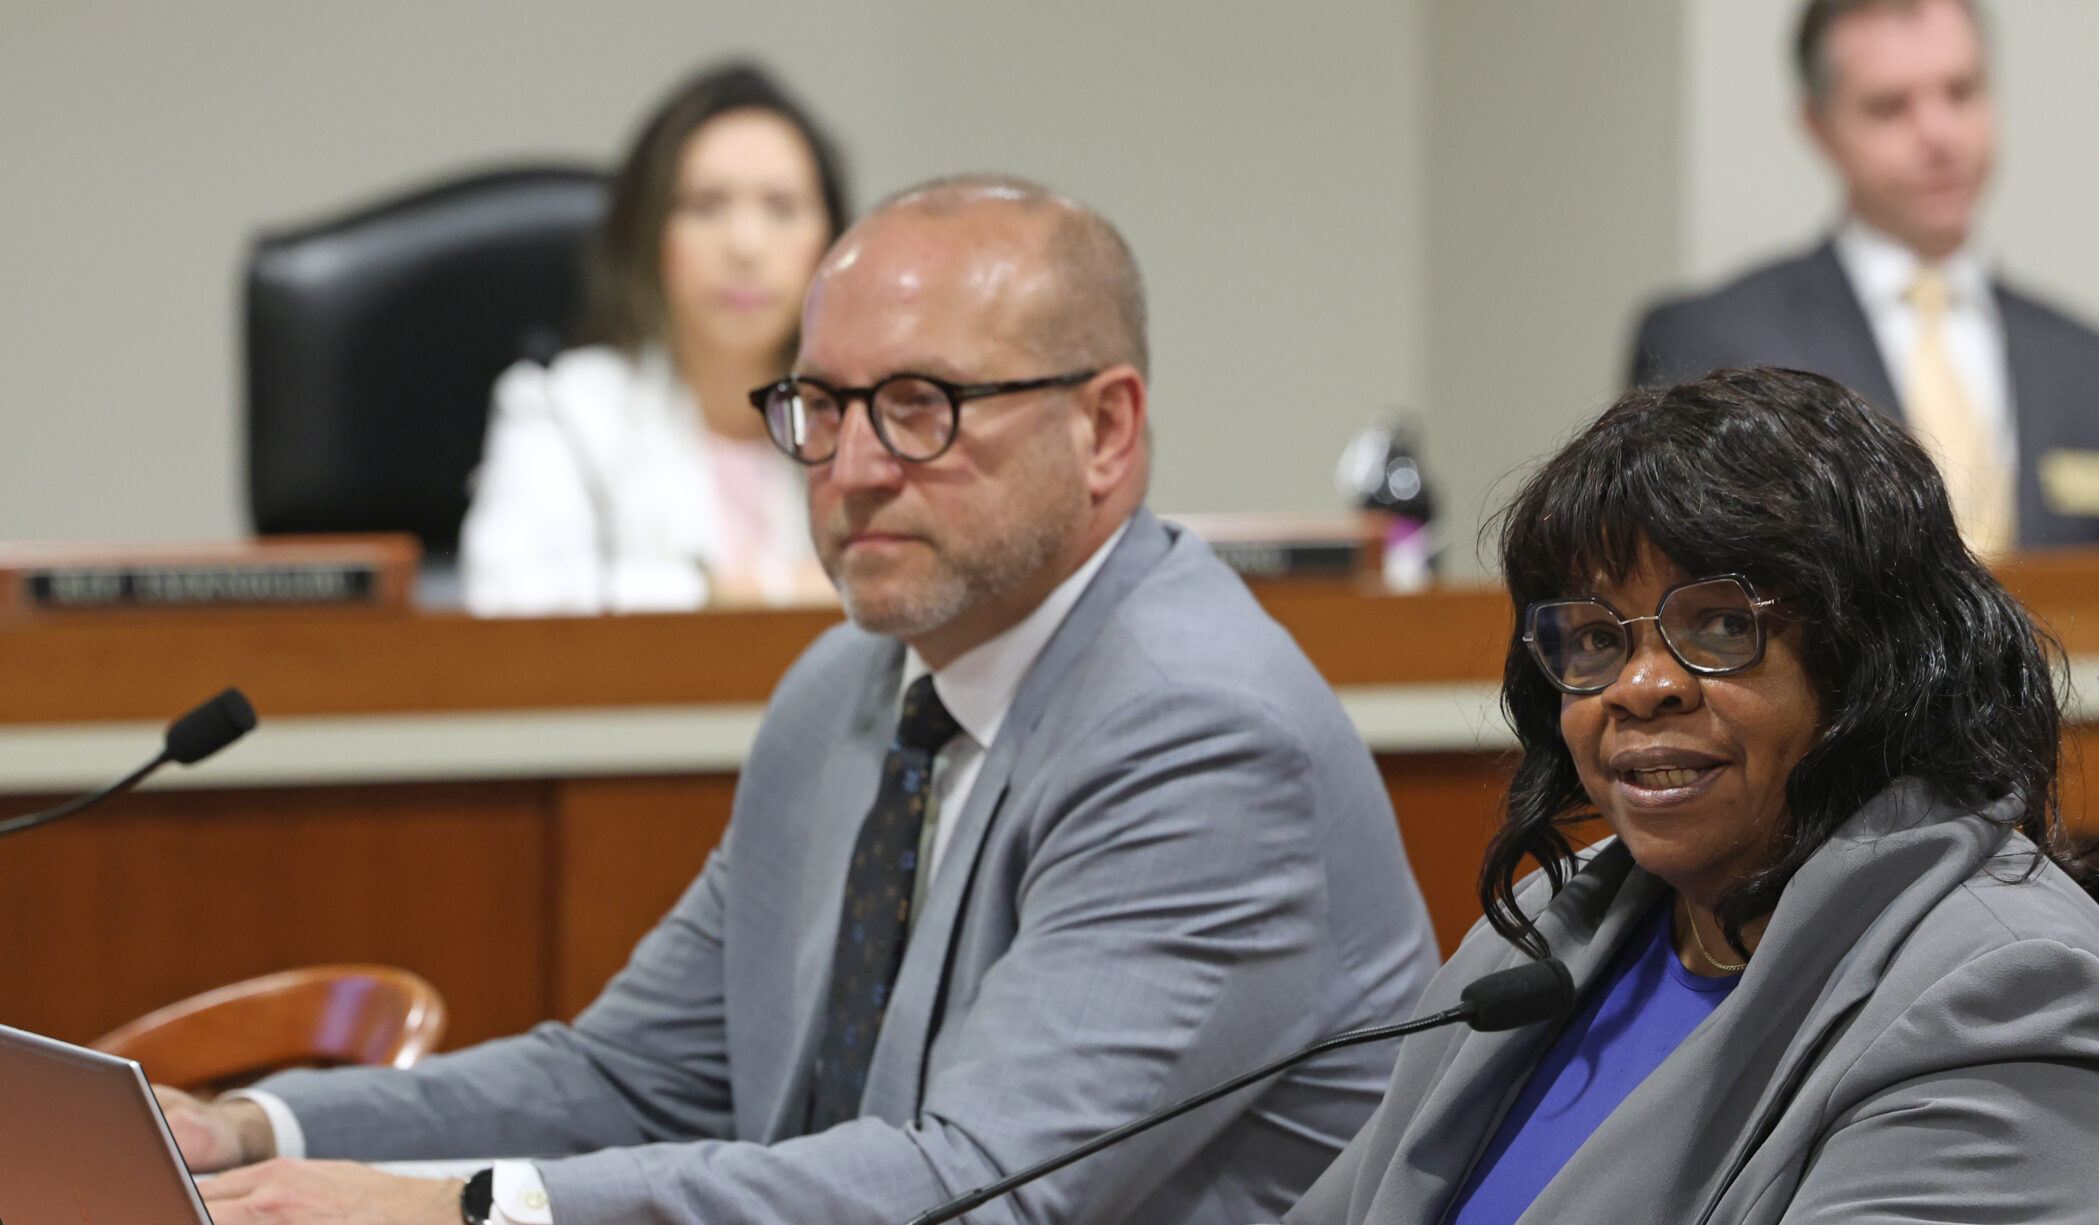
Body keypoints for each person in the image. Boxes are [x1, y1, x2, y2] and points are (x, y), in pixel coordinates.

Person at [158, 176, 1441, 1225]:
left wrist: (467, 1212)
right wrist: (252, 1127)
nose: (856, 468)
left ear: (1106, 430)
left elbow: (970, 1191)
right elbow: (638, 1075)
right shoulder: (850, 687)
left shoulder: (1198, 732)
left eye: (922, 406)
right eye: (820, 406)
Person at [1286, 366, 2099, 1225]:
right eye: (1595, 638)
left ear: (1871, 652)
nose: (1639, 686)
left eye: (1719, 625)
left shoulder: (2008, 991)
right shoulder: (1532, 939)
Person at [1626, 0, 2099, 556]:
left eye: (1961, 91)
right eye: (1888, 107)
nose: (1938, 134)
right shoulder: (1716, 345)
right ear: (1818, 127)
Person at [459, 62, 849, 615]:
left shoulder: (867, 417)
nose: (745, 245)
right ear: (649, 232)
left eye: (782, 208)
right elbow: (507, 597)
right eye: (706, 206)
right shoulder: (561, 410)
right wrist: (743, 594)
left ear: (830, 239)